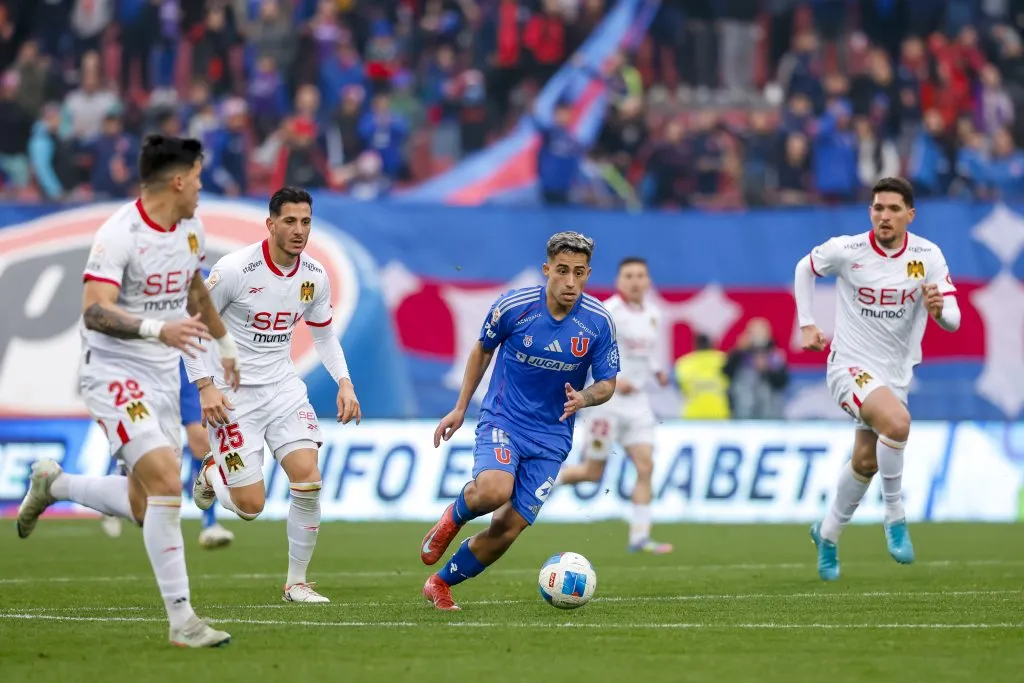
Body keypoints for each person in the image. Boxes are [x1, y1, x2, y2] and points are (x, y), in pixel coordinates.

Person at [16, 134, 241, 647]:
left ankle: (56, 485)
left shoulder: (190, 229)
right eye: (200, 178)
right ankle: (183, 622)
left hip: (164, 372)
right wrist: (156, 330)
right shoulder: (120, 233)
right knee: (166, 480)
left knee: (147, 507)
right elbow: (95, 309)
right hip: (114, 370)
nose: (202, 188)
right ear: (178, 180)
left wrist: (224, 344)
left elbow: (193, 287)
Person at [420, 231, 619, 610]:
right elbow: (482, 350)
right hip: (504, 419)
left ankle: (440, 583)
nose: (571, 282)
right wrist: (461, 407)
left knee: (508, 527)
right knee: (495, 490)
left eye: (579, 273)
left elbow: (608, 383)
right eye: (562, 271)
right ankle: (453, 516)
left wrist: (584, 397)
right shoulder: (514, 306)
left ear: (588, 274)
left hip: (552, 437)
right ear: (547, 270)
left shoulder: (597, 323)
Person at [184, 186, 361, 604]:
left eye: (305, 222)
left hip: (283, 389)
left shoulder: (314, 276)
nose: (299, 230)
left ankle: (296, 583)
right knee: (249, 507)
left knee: (308, 479)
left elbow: (324, 336)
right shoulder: (234, 270)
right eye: (290, 221)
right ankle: (212, 472)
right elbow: (192, 328)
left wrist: (345, 381)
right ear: (271, 224)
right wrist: (205, 386)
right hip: (232, 396)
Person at [794, 176, 961, 581]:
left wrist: (938, 311)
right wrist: (807, 323)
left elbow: (953, 321)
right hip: (848, 365)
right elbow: (805, 267)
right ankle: (895, 516)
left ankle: (828, 534)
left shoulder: (928, 256)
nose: (883, 216)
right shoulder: (847, 250)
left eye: (892, 209)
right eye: (877, 208)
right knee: (898, 423)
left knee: (866, 461)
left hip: (894, 374)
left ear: (910, 214)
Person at [555, 257, 672, 554]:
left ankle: (640, 538)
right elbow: (593, 352)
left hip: (638, 406)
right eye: (628, 276)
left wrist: (657, 369)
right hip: (607, 403)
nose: (635, 281)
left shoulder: (654, 314)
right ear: (619, 281)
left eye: (640, 275)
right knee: (592, 473)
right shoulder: (607, 313)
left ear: (648, 281)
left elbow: (647, 352)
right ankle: (539, 485)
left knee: (646, 466)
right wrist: (615, 379)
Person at [100, 359, 236, 549]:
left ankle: (210, 523)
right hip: (150, 365)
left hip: (187, 364)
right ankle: (114, 493)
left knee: (201, 437)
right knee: (142, 439)